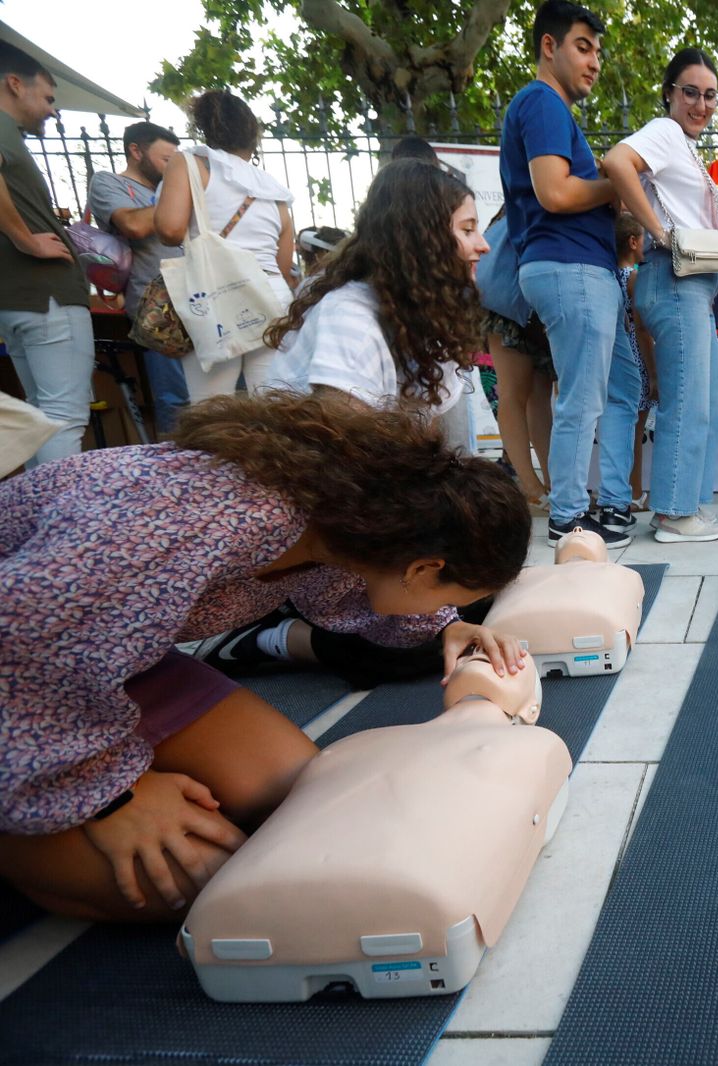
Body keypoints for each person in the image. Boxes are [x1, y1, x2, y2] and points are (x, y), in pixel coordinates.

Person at [0, 391, 531, 922]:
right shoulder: (207, 519)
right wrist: (111, 796)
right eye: (455, 598)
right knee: (189, 884)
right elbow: (20, 641)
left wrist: (450, 627)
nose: (451, 609)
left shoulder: (343, 522)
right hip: (19, 679)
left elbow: (352, 597)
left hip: (96, 661)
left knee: (301, 799)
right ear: (422, 569)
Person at [502, 0, 636, 548]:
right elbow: (555, 193)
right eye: (584, 47)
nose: (595, 62)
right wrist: (621, 182)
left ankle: (576, 509)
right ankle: (569, 519)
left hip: (572, 267)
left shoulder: (546, 108)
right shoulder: (543, 102)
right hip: (571, 266)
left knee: (587, 395)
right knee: (582, 399)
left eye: (598, 51)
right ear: (548, 46)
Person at [263, 159, 488, 455]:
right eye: (468, 230)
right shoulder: (350, 319)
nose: (484, 245)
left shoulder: (421, 310)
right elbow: (343, 456)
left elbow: (427, 435)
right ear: (423, 239)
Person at [603, 48, 718, 544]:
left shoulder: (682, 142)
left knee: (697, 400)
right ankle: (676, 515)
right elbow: (617, 161)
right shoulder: (665, 131)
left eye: (710, 95)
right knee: (686, 401)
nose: (701, 104)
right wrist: (661, 231)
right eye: (691, 93)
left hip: (687, 283)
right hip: (674, 278)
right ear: (670, 94)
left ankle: (686, 504)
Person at [155, 90, 297, 402]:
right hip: (271, 297)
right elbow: (284, 264)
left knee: (212, 411)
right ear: (252, 135)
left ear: (205, 127)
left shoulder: (189, 163)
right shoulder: (274, 190)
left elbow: (169, 229)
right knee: (275, 410)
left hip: (216, 297)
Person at [0, 41, 93, 466]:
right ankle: (61, 526)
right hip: (47, 297)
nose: (52, 110)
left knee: (43, 416)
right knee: (63, 417)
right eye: (49, 98)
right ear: (15, 84)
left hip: (20, 300)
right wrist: (27, 238)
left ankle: (41, 521)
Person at [88, 121, 189, 435]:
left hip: (197, 297)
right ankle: (176, 471)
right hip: (157, 309)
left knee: (216, 395)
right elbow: (133, 225)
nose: (172, 169)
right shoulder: (108, 183)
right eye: (166, 161)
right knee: (176, 399)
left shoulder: (169, 190)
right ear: (135, 151)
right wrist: (179, 197)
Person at [479, 206, 557, 509]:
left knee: (536, 395)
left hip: (529, 308)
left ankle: (547, 484)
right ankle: (530, 484)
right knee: (517, 394)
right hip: (512, 307)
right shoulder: (524, 208)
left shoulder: (509, 211)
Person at [616, 212, 658, 512]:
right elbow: (642, 329)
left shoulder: (607, 275)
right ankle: (633, 492)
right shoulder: (633, 277)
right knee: (635, 427)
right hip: (633, 358)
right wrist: (654, 373)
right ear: (633, 242)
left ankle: (623, 491)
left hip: (611, 354)